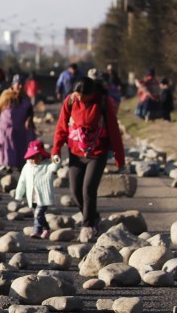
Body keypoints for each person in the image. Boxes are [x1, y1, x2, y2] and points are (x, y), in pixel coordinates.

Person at [51, 76, 125, 243]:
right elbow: (62, 127)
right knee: (75, 191)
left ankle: (88, 225)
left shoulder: (103, 103)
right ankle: (93, 216)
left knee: (88, 190)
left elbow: (114, 130)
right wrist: (56, 149)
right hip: (75, 153)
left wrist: (119, 158)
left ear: (91, 94)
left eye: (82, 96)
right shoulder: (70, 101)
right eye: (76, 94)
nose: (78, 98)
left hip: (97, 153)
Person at [14, 139, 58, 239]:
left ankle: (37, 231)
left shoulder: (47, 165)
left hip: (44, 196)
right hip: (32, 197)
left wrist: (56, 159)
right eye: (32, 157)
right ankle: (47, 229)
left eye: (37, 156)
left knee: (38, 214)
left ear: (42, 155)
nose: (34, 159)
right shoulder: (27, 167)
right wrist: (19, 194)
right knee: (38, 215)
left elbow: (54, 167)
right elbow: (22, 181)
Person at [0, 74, 34, 169]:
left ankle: (19, 165)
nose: (20, 86)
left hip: (19, 129)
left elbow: (30, 112)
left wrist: (29, 119)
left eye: (22, 84)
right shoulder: (6, 95)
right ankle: (7, 166)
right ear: (13, 84)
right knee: (6, 149)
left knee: (19, 147)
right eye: (18, 84)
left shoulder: (25, 98)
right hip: (5, 129)